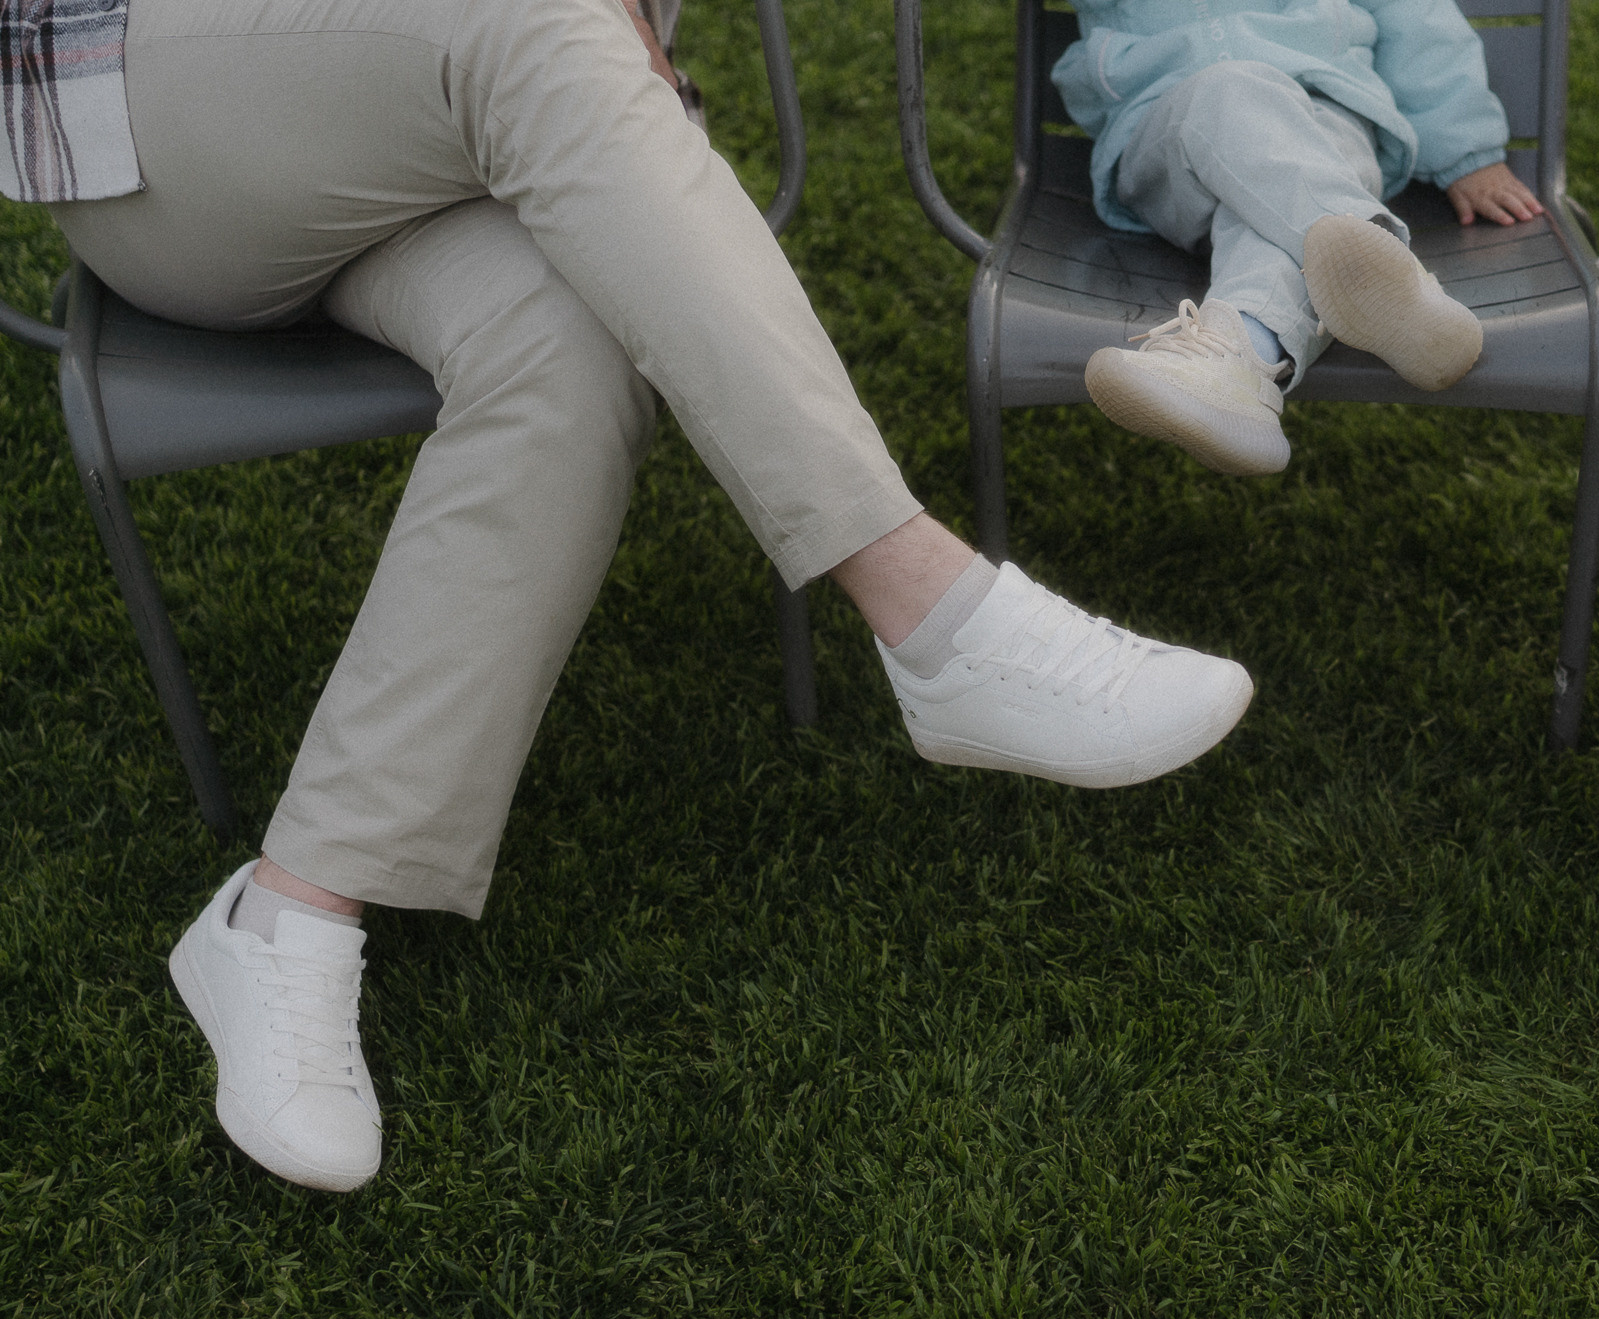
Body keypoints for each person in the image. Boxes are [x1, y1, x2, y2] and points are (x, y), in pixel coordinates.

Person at [3, 0, 1261, 1191]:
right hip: (164, 122)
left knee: (568, 340)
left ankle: (290, 912)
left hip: (444, 131)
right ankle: (935, 614)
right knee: (522, 18)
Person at [1056, 0, 1546, 475]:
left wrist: (1468, 150)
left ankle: (1238, 362)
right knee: (1230, 92)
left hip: (1323, 113)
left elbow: (1417, 18)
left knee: (1283, 220)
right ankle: (1380, 259)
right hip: (1169, 127)